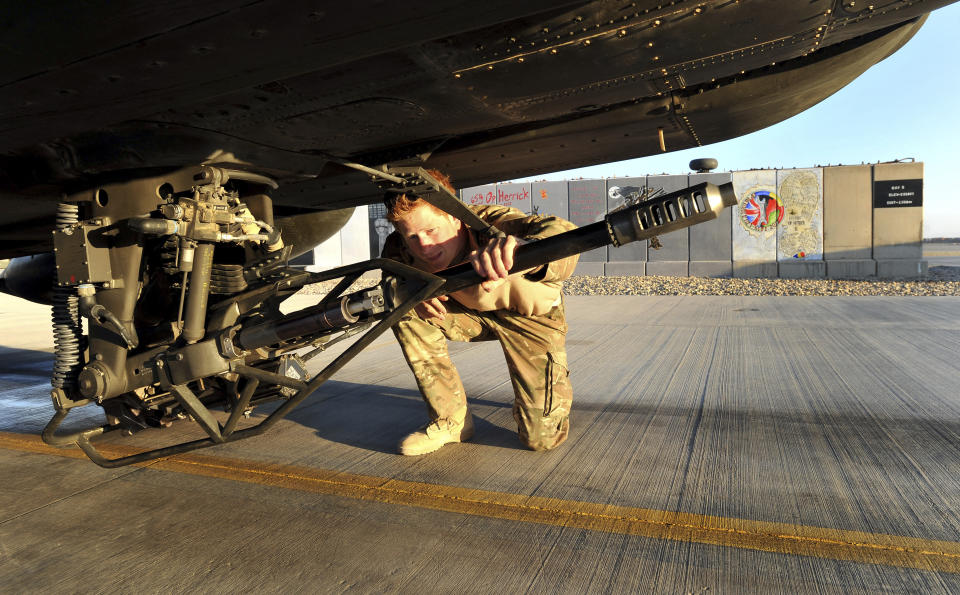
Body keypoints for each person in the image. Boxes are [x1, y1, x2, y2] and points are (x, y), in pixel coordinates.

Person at [381, 171, 579, 456]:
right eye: (412, 236)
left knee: (542, 438)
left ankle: (536, 400)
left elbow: (562, 234)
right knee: (403, 309)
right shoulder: (400, 248)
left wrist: (527, 251)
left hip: (527, 319)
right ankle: (451, 421)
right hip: (468, 314)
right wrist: (409, 293)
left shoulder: (489, 221)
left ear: (453, 216)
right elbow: (389, 278)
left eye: (431, 231)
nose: (424, 245)